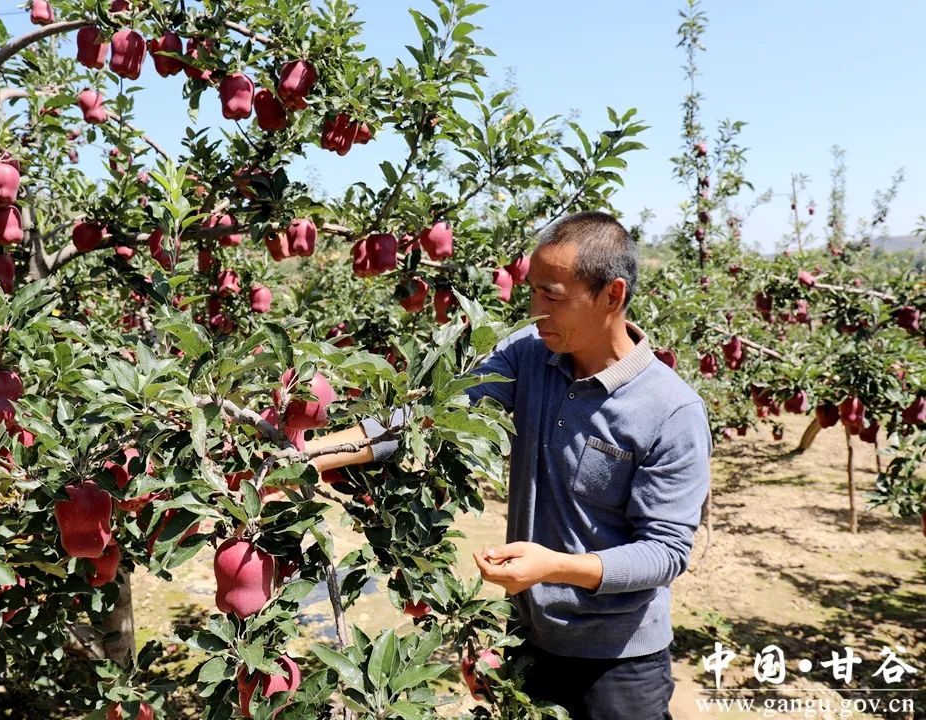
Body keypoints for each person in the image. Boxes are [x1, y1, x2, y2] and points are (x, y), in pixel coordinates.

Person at [305, 211, 712, 720]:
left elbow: (666, 553)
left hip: (617, 661)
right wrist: (307, 458)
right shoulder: (529, 355)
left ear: (613, 295)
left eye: (553, 296)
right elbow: (428, 415)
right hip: (527, 635)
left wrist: (556, 567)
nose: (535, 310)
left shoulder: (671, 411)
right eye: (532, 291)